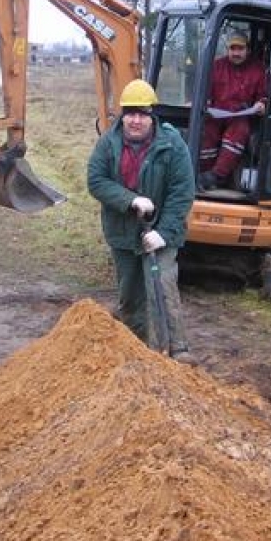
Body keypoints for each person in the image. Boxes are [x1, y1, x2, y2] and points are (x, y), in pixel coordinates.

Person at [87, 79, 197, 363]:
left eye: (142, 114)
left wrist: (163, 233)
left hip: (162, 232)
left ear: (152, 115)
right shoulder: (108, 143)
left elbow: (182, 193)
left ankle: (176, 351)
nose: (135, 121)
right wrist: (130, 200)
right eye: (130, 114)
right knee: (130, 295)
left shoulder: (172, 144)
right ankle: (135, 353)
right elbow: (96, 181)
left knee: (161, 287)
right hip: (123, 233)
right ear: (123, 115)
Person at [198, 30, 268, 190]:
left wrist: (261, 104)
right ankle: (201, 173)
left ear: (247, 50)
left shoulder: (258, 70)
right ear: (227, 49)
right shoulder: (216, 66)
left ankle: (216, 176)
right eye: (232, 49)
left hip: (241, 116)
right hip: (216, 114)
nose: (236, 53)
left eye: (240, 49)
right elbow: (205, 91)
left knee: (239, 131)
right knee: (206, 130)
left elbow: (263, 95)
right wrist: (201, 103)